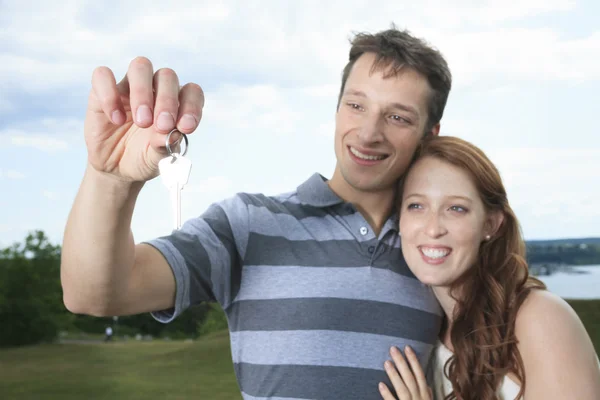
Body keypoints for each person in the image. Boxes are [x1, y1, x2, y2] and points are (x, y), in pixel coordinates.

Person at [60, 26, 452, 399]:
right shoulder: (248, 224)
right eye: (356, 105)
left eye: (398, 116)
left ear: (429, 135)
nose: (368, 132)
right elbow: (94, 294)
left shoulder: (443, 248)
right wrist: (108, 178)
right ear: (337, 109)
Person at [377, 136, 600, 400]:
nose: (433, 228)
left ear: (491, 225)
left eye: (456, 208)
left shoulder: (540, 319)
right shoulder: (423, 330)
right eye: (416, 206)